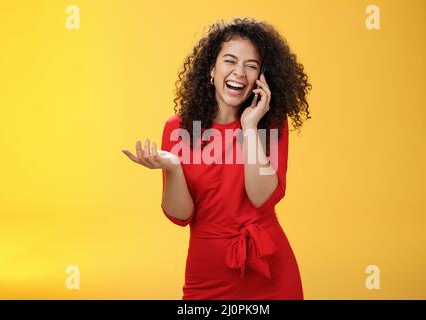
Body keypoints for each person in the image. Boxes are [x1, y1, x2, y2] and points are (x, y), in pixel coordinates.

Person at [122, 17, 312, 299]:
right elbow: (180, 215)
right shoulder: (178, 129)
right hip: (208, 273)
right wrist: (174, 167)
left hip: (270, 272)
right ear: (211, 69)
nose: (239, 73)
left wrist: (249, 127)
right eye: (230, 61)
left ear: (261, 77)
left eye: (252, 65)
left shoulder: (269, 124)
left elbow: (261, 198)